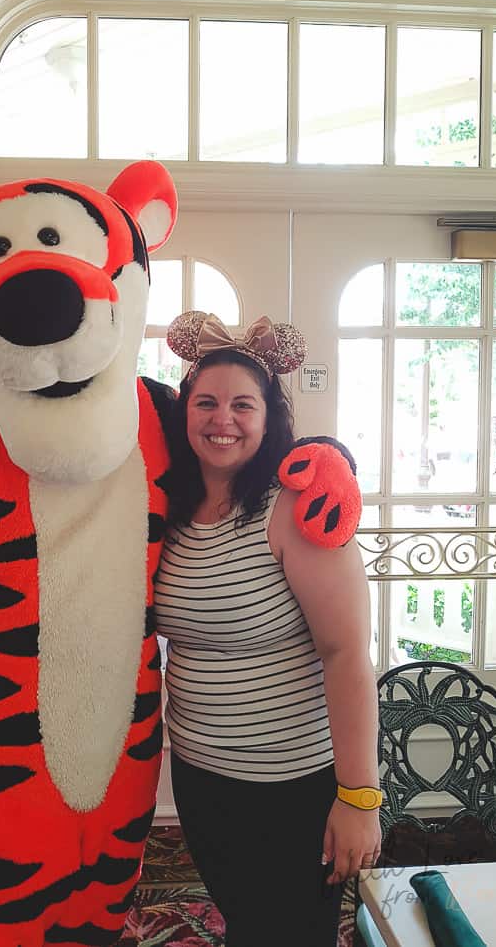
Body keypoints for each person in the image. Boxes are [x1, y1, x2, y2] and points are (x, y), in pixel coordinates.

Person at [155, 311, 381, 947]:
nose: (221, 418)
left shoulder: (296, 506)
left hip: (294, 785)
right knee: (247, 923)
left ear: (269, 417)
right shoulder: (170, 509)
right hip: (200, 775)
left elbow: (345, 654)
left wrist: (359, 796)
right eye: (205, 402)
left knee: (292, 932)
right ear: (184, 413)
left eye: (241, 405)